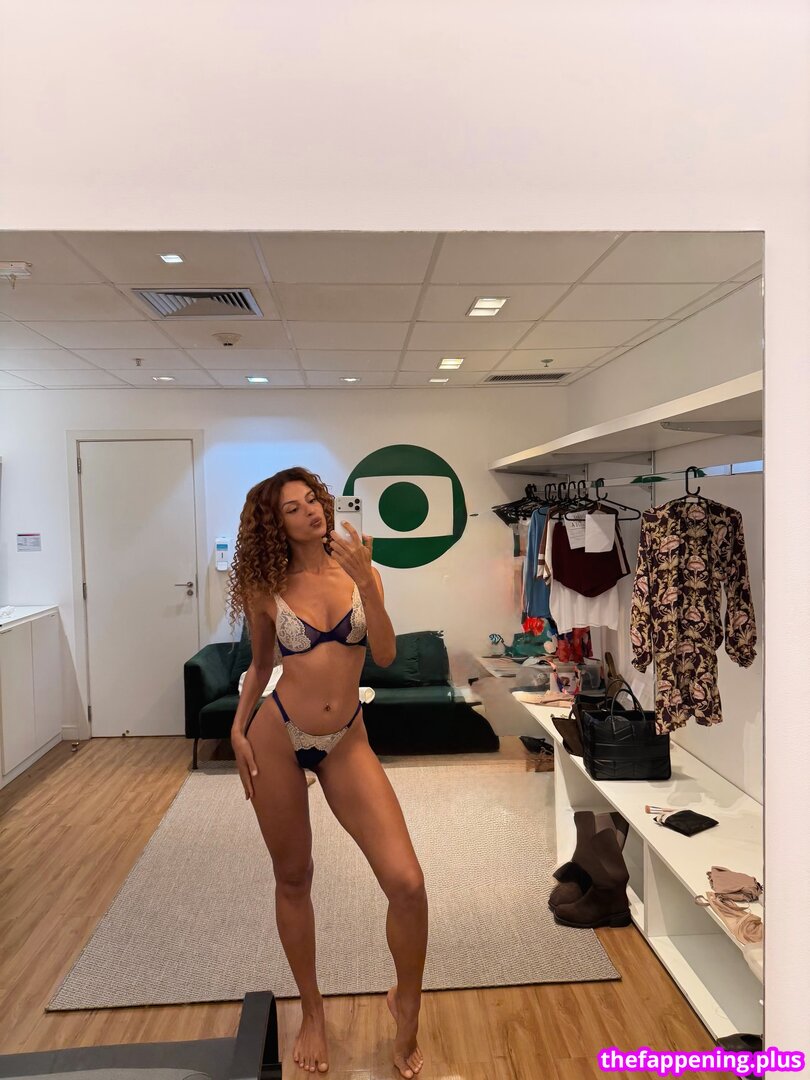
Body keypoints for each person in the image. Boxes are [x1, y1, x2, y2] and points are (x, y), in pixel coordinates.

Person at [227, 467, 427, 1078]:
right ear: (275, 525)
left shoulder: (360, 569)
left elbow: (385, 654)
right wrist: (237, 728)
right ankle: (312, 1009)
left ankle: (407, 1006)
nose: (311, 511)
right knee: (294, 876)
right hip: (278, 735)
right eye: (293, 508)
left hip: (346, 739)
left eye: (312, 498)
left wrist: (367, 583)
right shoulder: (267, 587)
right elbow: (261, 665)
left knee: (407, 883)